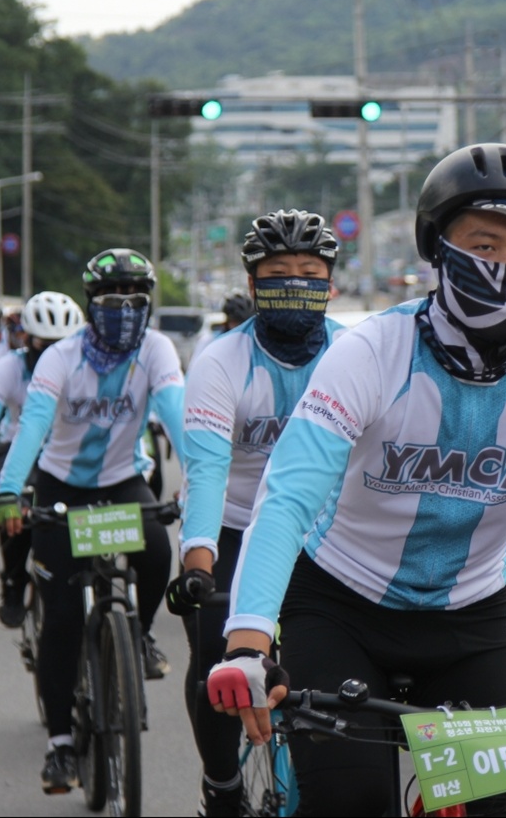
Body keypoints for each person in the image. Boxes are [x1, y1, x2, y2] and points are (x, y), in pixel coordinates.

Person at [204, 143, 506, 817]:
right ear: (438, 247)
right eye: (484, 243)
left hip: (470, 615)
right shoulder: (373, 350)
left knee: (496, 805)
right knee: (352, 797)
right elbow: (286, 497)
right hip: (341, 601)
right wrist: (249, 641)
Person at [0, 249, 186, 795]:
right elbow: (32, 426)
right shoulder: (61, 357)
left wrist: (200, 484)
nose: (124, 310)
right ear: (90, 303)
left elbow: (177, 415)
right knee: (63, 619)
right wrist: (8, 491)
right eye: (111, 299)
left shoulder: (157, 349)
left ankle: (139, 636)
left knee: (157, 550)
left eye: (135, 300)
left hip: (122, 482)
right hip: (60, 488)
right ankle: (59, 746)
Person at [165, 210, 345, 817]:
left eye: (308, 273)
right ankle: (220, 783)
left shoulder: (354, 352)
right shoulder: (220, 362)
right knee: (218, 667)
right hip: (236, 529)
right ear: (251, 285)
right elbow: (208, 470)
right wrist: (198, 560)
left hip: (331, 537)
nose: (294, 283)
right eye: (277, 274)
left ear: (331, 284)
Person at [0, 291, 86, 628]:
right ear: (26, 339)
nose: (57, 353)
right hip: (18, 451)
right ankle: (14, 580)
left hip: (73, 454)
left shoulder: (92, 368)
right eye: (46, 344)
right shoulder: (9, 367)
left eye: (66, 343)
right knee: (16, 511)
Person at [188, 290, 254, 369]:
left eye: (244, 324)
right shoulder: (209, 341)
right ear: (227, 322)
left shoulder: (255, 344)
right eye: (235, 323)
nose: (240, 328)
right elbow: (193, 371)